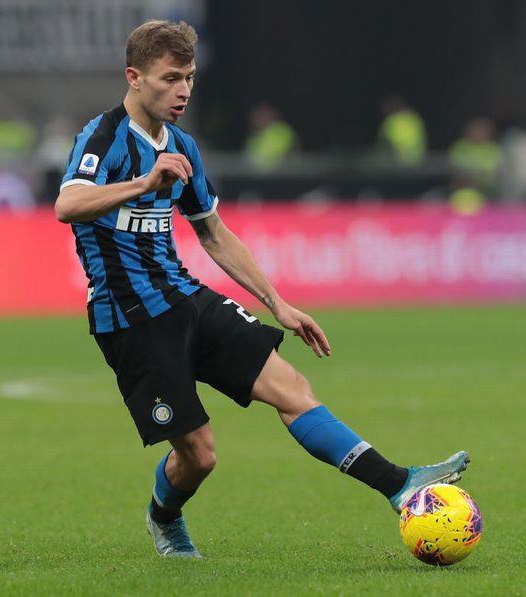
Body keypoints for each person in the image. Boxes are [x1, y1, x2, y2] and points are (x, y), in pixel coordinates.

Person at [54, 20, 469, 559]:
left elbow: (213, 233)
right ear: (135, 78)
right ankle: (164, 517)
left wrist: (278, 303)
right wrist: (143, 183)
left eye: (190, 77)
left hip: (184, 296)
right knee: (200, 456)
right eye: (171, 78)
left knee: (291, 388)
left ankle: (399, 485)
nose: (184, 90)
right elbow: (68, 205)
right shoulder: (103, 138)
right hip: (131, 317)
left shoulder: (181, 146)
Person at [244, 102, 298, 171]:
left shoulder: (282, 132)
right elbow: (248, 160)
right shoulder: (252, 138)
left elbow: (283, 156)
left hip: (281, 174)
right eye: (256, 116)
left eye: (262, 115)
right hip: (257, 174)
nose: (257, 119)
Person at [376, 95, 427, 165]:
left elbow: (385, 145)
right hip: (417, 163)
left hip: (396, 164)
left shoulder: (391, 122)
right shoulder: (415, 119)